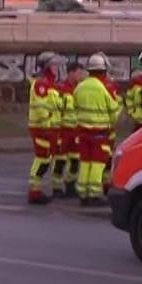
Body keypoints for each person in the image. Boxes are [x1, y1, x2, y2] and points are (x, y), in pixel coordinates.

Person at [72, 52, 123, 205]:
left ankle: (83, 193)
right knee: (97, 164)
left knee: (85, 163)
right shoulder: (103, 88)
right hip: (100, 133)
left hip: (83, 132)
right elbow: (114, 113)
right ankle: (94, 194)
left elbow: (74, 107)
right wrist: (119, 105)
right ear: (102, 71)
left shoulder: (80, 87)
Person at [26, 51, 63, 205]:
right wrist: (48, 122)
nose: (57, 68)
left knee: (46, 159)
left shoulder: (50, 83)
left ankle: (36, 189)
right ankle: (34, 191)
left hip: (50, 128)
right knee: (42, 159)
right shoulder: (42, 84)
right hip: (42, 128)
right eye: (54, 65)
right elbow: (41, 107)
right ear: (47, 66)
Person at [57, 58, 85, 195]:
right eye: (79, 73)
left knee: (75, 159)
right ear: (71, 73)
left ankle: (70, 184)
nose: (81, 76)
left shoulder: (80, 89)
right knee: (60, 159)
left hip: (76, 130)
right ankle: (56, 186)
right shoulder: (62, 89)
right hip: (63, 129)